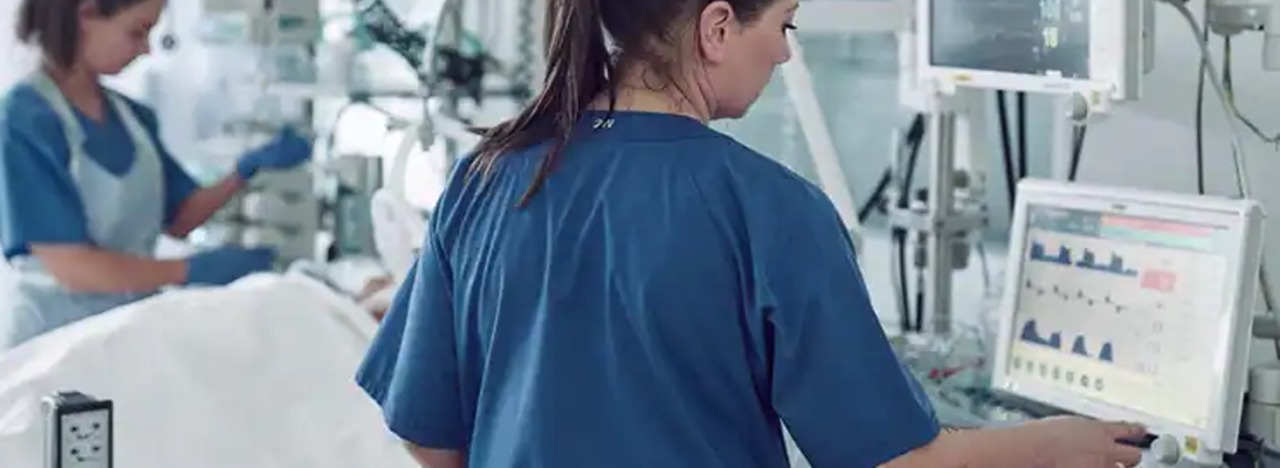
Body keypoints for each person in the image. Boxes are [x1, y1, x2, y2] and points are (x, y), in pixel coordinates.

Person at [354, 0, 1147, 466]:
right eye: (785, 24)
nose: (786, 53)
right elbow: (894, 461)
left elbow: (428, 434)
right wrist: (1055, 445)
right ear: (717, 27)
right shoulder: (770, 209)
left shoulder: (488, 178)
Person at [0, 0, 313, 351]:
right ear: (85, 14)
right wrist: (187, 271)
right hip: (50, 344)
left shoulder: (133, 118)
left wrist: (244, 171)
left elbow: (179, 217)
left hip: (122, 334)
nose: (146, 49)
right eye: (138, 32)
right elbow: (72, 267)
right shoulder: (25, 119)